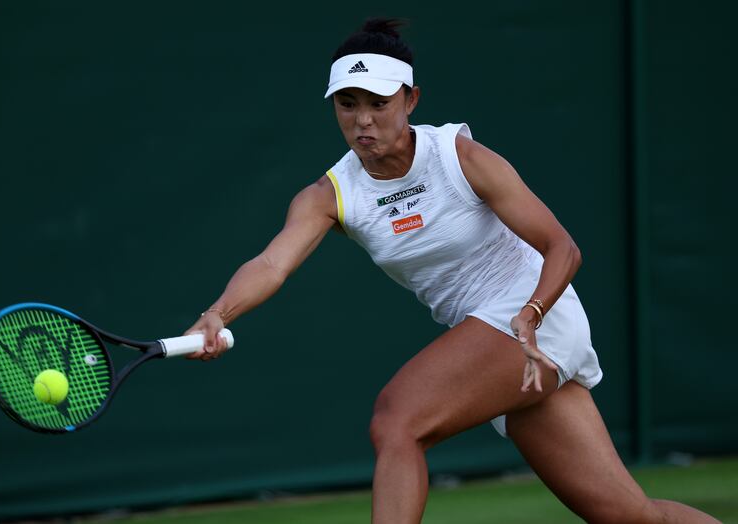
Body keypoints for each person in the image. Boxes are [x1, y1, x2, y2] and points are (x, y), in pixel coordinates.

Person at [184, 18, 719, 524]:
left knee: (398, 420)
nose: (363, 120)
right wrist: (217, 314)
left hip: (535, 317)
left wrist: (532, 313)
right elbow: (272, 263)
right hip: (494, 340)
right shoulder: (330, 195)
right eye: (348, 104)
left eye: (378, 102)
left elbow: (563, 247)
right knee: (627, 515)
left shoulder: (459, 156)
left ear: (411, 99)